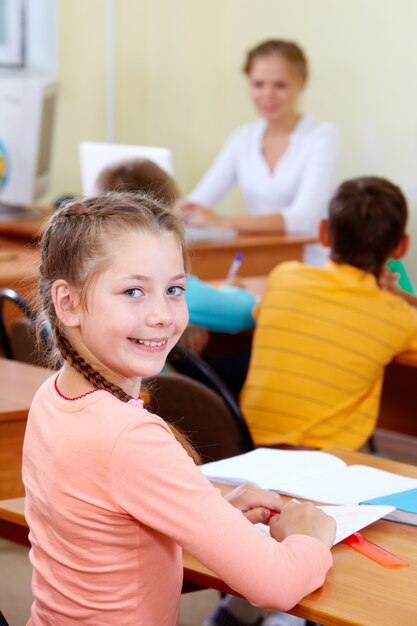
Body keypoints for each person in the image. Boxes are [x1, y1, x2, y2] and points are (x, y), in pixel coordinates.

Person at [22, 193, 335, 624]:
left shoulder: (53, 396)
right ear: (68, 303)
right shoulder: (130, 439)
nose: (162, 316)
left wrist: (215, 512)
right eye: (133, 291)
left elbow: (112, 539)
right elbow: (277, 585)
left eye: (174, 289)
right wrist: (311, 537)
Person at [240, 176, 417, 450]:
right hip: (326, 463)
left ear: (323, 233)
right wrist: (403, 298)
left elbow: (259, 313)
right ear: (401, 247)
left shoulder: (284, 276)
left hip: (249, 447)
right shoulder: (397, 317)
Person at [176, 39, 340, 266]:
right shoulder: (243, 139)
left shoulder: (321, 136)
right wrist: (176, 212)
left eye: (280, 85)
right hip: (259, 260)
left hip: (310, 264)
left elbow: (301, 219)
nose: (268, 95)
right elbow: (199, 202)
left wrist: (220, 221)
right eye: (258, 84)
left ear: (301, 83)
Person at [96, 157, 257, 338]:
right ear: (165, 215)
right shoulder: (161, 279)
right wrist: (231, 290)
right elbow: (246, 312)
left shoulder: (92, 269)